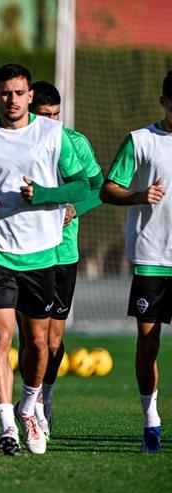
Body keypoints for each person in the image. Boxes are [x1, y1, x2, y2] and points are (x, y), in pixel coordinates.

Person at [0, 63, 88, 456]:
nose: (12, 100)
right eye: (5, 93)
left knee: (40, 342)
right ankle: (8, 425)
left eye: (19, 93)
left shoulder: (53, 134)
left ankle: (30, 407)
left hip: (42, 252)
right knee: (0, 336)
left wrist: (44, 195)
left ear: (31, 96)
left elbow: (82, 184)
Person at [25, 81, 104, 437]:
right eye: (45, 116)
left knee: (53, 342)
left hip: (63, 255)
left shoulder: (75, 143)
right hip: (24, 253)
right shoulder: (16, 144)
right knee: (30, 338)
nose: (53, 123)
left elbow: (99, 186)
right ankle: (31, 405)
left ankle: (47, 396)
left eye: (57, 115)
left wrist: (74, 206)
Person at [99, 70, 172, 454]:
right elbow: (108, 188)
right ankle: (151, 421)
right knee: (148, 343)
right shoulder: (141, 141)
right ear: (163, 102)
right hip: (152, 259)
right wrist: (140, 195)